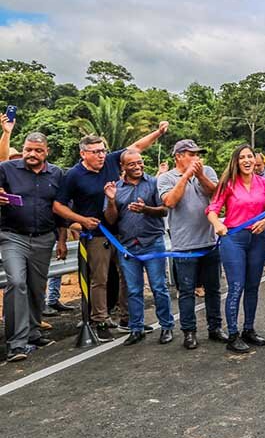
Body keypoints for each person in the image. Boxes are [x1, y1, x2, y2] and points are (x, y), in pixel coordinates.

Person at [53, 122, 169, 339]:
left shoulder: (111, 162)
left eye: (103, 150)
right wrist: (81, 220)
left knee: (129, 278)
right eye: (95, 152)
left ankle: (129, 318)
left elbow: (136, 147)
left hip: (123, 232)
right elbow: (58, 206)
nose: (101, 155)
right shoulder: (73, 175)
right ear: (83, 153)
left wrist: (159, 132)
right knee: (100, 279)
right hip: (97, 234)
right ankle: (101, 320)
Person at [0, 132, 68, 361]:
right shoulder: (8, 168)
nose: (32, 154)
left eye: (38, 150)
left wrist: (61, 240)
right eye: (28, 149)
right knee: (17, 282)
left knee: (37, 287)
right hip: (13, 236)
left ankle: (32, 332)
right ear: (23, 148)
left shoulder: (57, 173)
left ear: (46, 151)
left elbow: (59, 209)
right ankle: (16, 344)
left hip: (44, 238)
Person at [158, 139, 227, 350]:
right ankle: (189, 331)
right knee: (186, 291)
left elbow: (215, 193)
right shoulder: (166, 178)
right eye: (191, 154)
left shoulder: (207, 171)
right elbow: (169, 202)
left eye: (197, 154)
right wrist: (186, 176)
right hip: (184, 245)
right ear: (178, 156)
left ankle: (215, 327)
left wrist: (199, 175)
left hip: (208, 241)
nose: (196, 158)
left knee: (213, 289)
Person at [102, 149, 174, 346]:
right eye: (132, 164)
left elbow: (164, 210)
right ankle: (136, 328)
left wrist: (146, 209)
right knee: (133, 290)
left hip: (152, 242)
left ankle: (167, 326)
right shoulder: (115, 187)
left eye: (139, 162)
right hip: (127, 246)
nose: (137, 166)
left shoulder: (153, 183)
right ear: (122, 167)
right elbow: (111, 219)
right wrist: (110, 200)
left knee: (159, 287)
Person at [206, 144, 265, 353]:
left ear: (255, 160)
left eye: (250, 157)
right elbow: (212, 209)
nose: (246, 160)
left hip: (258, 239)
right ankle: (233, 334)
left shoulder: (264, 183)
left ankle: (248, 329)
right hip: (233, 239)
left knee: (253, 286)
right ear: (236, 161)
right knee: (236, 287)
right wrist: (218, 225)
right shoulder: (228, 184)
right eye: (242, 157)